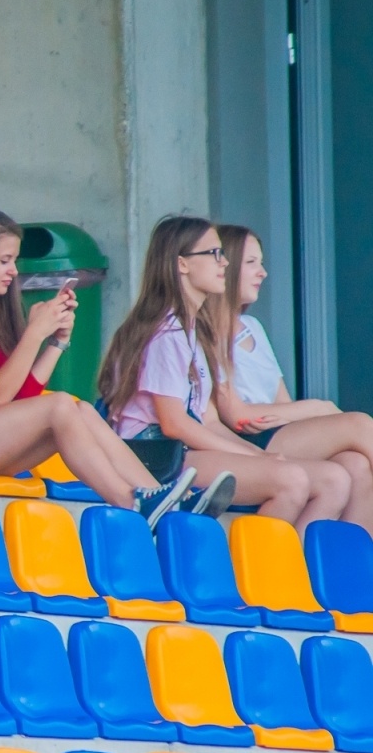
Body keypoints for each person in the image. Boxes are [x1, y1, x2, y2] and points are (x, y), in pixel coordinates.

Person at [0, 207, 221, 529]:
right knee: (58, 406)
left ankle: (161, 501)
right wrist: (34, 333)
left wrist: (55, 342)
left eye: (14, 261)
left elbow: (19, 399)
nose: (14, 270)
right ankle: (132, 503)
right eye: (4, 260)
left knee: (78, 409)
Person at [99, 216, 353, 531]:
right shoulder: (166, 332)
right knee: (291, 481)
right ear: (182, 264)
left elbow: (207, 421)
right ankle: (251, 575)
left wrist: (254, 454)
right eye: (214, 254)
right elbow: (174, 424)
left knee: (334, 480)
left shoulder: (194, 330)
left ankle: (295, 574)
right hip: (155, 455)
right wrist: (258, 460)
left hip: (183, 451)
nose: (224, 264)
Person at [206, 225, 373, 529]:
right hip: (246, 440)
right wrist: (316, 407)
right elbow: (238, 415)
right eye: (251, 263)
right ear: (226, 268)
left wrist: (304, 411)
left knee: (356, 465)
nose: (263, 273)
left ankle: (344, 570)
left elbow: (282, 404)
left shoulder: (252, 327)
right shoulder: (206, 332)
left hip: (276, 431)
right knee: (359, 424)